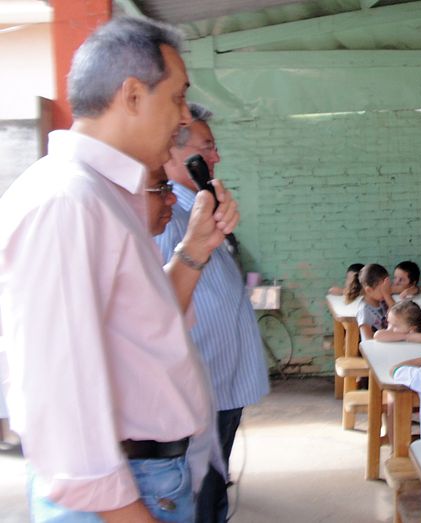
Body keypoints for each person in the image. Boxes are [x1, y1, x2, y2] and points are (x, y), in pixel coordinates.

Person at [0, 16, 240, 521]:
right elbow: (61, 400)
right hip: (118, 498)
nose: (182, 119)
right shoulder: (67, 202)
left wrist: (196, 248)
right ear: (132, 95)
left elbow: (143, 331)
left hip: (150, 479)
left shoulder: (107, 196)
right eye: (176, 98)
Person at [154, 103, 269, 522]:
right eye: (208, 147)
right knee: (199, 492)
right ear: (174, 151)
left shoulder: (197, 208)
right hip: (199, 387)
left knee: (214, 485)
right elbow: (159, 305)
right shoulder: (166, 216)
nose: (216, 157)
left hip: (220, 382)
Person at [354, 263, 395, 340]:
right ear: (369, 290)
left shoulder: (382, 300)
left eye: (387, 288)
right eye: (383, 289)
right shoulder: (364, 311)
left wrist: (387, 296)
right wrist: (387, 295)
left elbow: (399, 315)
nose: (386, 291)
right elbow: (367, 340)